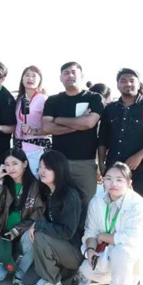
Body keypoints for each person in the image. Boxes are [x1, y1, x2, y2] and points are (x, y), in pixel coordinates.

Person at [77, 162, 143, 285]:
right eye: (108, 179)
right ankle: (115, 278)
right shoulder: (97, 200)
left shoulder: (137, 205)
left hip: (132, 256)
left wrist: (103, 236)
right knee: (86, 270)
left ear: (129, 183)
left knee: (123, 251)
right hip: (107, 251)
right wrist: (90, 250)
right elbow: (90, 231)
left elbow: (131, 239)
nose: (113, 184)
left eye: (119, 180)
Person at [98, 68, 143, 201]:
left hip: (140, 170)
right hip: (112, 168)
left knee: (137, 206)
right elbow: (102, 138)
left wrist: (139, 156)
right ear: (118, 84)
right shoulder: (110, 108)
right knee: (111, 204)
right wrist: (101, 163)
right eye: (123, 81)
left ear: (138, 84)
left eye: (132, 81)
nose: (128, 84)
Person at [42, 62, 105, 203]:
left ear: (81, 75)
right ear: (60, 78)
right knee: (59, 202)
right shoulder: (53, 100)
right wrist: (78, 124)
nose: (70, 75)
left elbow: (89, 123)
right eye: (66, 73)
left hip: (85, 163)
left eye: (73, 72)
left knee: (87, 203)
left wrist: (58, 120)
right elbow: (46, 128)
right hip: (59, 163)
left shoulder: (94, 98)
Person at [0, 149, 47, 285]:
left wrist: (17, 230)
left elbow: (38, 216)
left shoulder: (36, 186)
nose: (10, 168)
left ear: (24, 164)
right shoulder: (4, 185)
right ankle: (10, 258)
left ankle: (21, 272)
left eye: (14, 163)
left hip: (22, 235)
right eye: (7, 165)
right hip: (3, 237)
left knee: (33, 236)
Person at [27, 150, 85, 285]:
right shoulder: (47, 191)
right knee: (27, 280)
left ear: (59, 169)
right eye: (40, 167)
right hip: (58, 248)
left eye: (47, 168)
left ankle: (53, 282)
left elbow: (67, 232)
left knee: (39, 235)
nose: (42, 171)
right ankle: (65, 277)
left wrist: (38, 225)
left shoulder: (70, 195)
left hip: (74, 250)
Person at [13, 65, 51, 175]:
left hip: (36, 148)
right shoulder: (19, 99)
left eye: (34, 76)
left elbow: (50, 127)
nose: (30, 78)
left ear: (40, 80)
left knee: (36, 179)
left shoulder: (43, 99)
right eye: (27, 75)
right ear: (22, 79)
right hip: (19, 148)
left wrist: (32, 131)